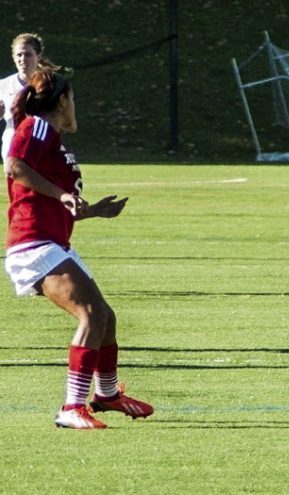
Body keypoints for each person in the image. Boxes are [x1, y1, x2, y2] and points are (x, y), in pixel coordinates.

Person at [4, 68, 153, 429]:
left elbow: (53, 200)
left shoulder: (53, 141)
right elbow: (14, 166)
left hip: (51, 242)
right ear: (63, 101)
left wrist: (91, 210)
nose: (75, 106)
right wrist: (63, 193)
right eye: (74, 99)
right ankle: (72, 407)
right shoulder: (38, 126)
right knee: (91, 314)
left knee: (106, 318)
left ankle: (106, 395)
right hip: (33, 244)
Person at [1, 33, 59, 169]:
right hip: (13, 143)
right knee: (17, 187)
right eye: (19, 55)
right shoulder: (3, 85)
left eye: (28, 54)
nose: (23, 59)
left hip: (42, 142)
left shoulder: (51, 84)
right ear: (13, 57)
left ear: (38, 56)